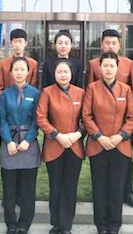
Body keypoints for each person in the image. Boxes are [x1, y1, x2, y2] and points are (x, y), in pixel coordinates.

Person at [83, 52, 133, 234]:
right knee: (99, 187)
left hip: (119, 145)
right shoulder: (92, 88)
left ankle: (114, 225)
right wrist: (99, 137)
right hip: (98, 144)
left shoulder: (126, 89)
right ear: (100, 67)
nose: (108, 69)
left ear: (117, 68)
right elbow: (86, 116)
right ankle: (101, 225)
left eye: (112, 66)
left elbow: (132, 117)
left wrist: (120, 136)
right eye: (105, 65)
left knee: (117, 187)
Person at [36, 59, 85, 234]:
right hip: (54, 145)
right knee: (55, 186)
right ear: (54, 74)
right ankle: (56, 222)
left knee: (70, 186)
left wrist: (77, 134)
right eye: (59, 72)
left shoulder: (80, 93)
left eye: (66, 72)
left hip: (74, 145)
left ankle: (66, 225)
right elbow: (41, 118)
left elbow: (87, 118)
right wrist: (57, 135)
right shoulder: (47, 92)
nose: (63, 75)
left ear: (71, 74)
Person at [0, 56, 41, 234]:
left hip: (28, 144)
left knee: (28, 188)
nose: (19, 73)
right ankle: (10, 223)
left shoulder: (35, 93)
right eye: (16, 69)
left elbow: (37, 121)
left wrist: (27, 140)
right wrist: (8, 141)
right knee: (9, 188)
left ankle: (24, 223)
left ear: (28, 72)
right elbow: (2, 120)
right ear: (11, 72)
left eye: (22, 69)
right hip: (9, 142)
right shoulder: (5, 94)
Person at [0, 29, 40, 99]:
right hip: (7, 101)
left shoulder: (33, 64)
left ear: (25, 43)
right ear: (11, 43)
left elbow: (34, 87)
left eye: (20, 41)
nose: (17, 45)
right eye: (15, 42)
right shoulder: (2, 64)